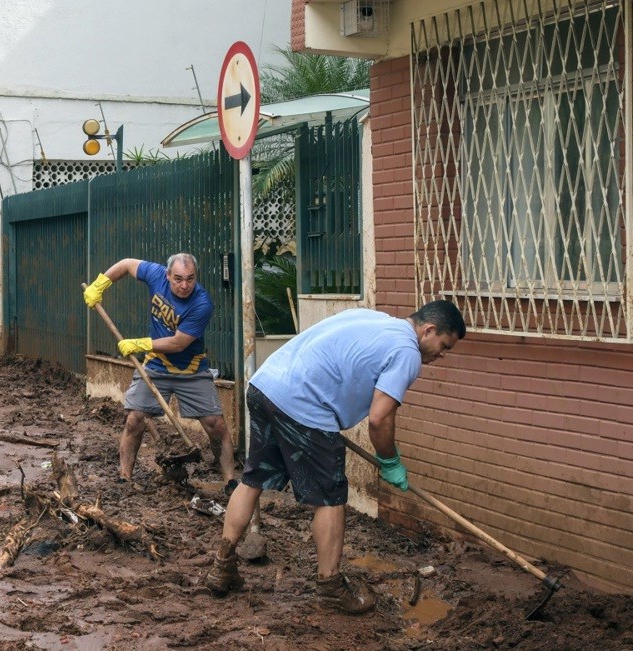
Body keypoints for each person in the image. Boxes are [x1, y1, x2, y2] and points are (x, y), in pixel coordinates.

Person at [203, 301, 466, 614]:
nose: (442, 354)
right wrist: (390, 460)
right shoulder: (407, 351)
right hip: (305, 406)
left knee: (252, 480)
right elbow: (380, 419)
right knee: (329, 498)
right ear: (429, 330)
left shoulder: (372, 317)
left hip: (266, 386)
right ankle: (330, 586)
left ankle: (222, 567)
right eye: (444, 345)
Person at [84, 254, 237, 491]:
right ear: (167, 275)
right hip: (157, 365)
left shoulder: (202, 304)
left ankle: (230, 481)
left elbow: (178, 344)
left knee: (215, 423)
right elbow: (125, 264)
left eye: (190, 279)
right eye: (178, 279)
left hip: (192, 370)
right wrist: (101, 284)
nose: (184, 285)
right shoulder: (156, 275)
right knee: (135, 419)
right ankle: (125, 477)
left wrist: (140, 344)